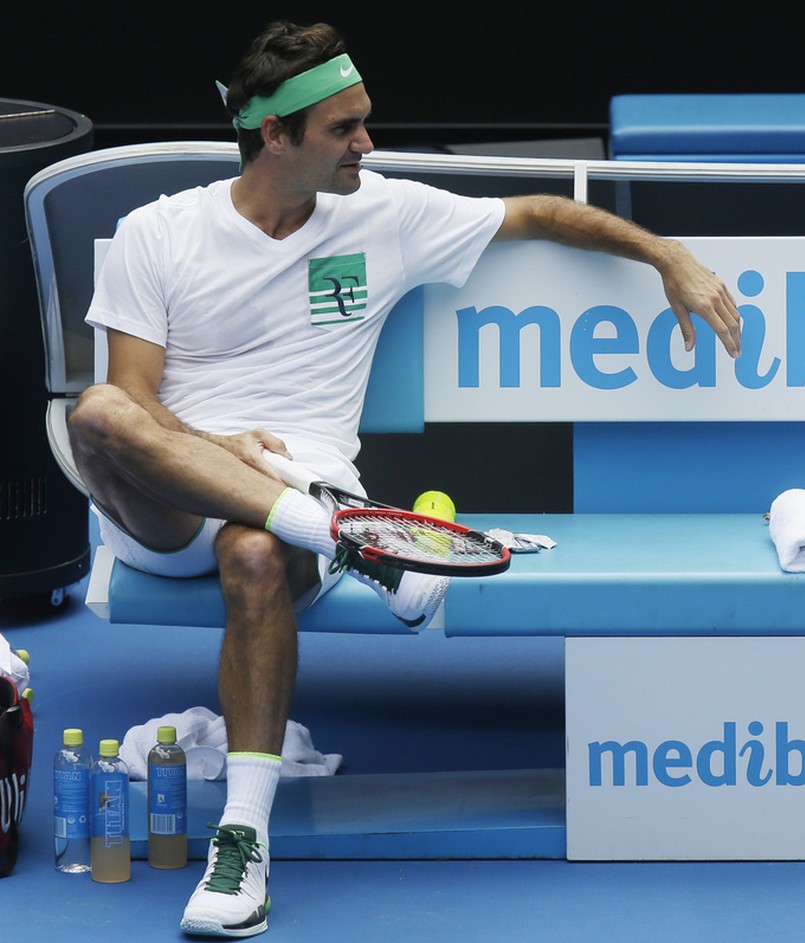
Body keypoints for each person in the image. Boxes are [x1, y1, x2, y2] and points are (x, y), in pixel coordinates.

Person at [67, 21, 742, 938]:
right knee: (97, 413)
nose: (367, 145)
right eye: (345, 129)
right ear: (275, 136)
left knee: (257, 555)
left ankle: (244, 844)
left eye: (365, 124)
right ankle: (343, 535)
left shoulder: (384, 212)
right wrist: (225, 449)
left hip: (284, 500)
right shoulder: (160, 232)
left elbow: (539, 212)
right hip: (171, 499)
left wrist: (671, 255)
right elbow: (134, 402)